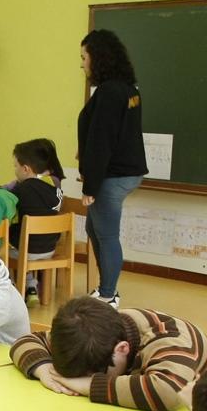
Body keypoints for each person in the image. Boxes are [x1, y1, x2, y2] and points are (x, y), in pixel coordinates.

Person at [10, 296, 207, 411]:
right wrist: (45, 371)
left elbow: (169, 393)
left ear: (122, 349)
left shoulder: (170, 339)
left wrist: (88, 385)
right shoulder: (87, 331)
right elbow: (26, 340)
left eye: (91, 374)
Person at [78, 29, 148, 308]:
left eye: (84, 57)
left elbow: (102, 140)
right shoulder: (128, 89)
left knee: (106, 234)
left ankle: (108, 295)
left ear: (98, 58)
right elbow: (116, 133)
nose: (82, 63)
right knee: (95, 229)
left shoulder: (109, 92)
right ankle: (105, 289)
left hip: (112, 175)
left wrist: (90, 187)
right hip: (126, 171)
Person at [10, 139, 66, 306]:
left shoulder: (20, 189)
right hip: (49, 249)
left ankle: (12, 289)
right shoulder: (55, 189)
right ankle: (31, 287)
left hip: (26, 251)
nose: (14, 170)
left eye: (15, 166)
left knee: (0, 247)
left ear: (26, 169)